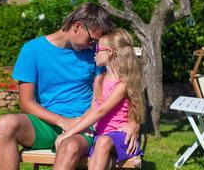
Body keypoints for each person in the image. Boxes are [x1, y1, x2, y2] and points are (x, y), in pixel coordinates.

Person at [0, 3, 140, 170]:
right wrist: (63, 122)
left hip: (84, 125)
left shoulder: (95, 56)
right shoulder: (32, 50)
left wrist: (134, 123)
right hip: (47, 124)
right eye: (91, 39)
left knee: (70, 145)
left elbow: (123, 87)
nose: (93, 46)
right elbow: (26, 102)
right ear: (77, 26)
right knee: (5, 123)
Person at [55, 28, 145, 170]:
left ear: (110, 52)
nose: (95, 52)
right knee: (102, 147)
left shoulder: (122, 84)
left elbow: (101, 111)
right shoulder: (99, 79)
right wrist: (77, 127)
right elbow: (93, 109)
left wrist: (70, 132)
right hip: (101, 136)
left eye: (98, 49)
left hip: (122, 136)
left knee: (103, 142)